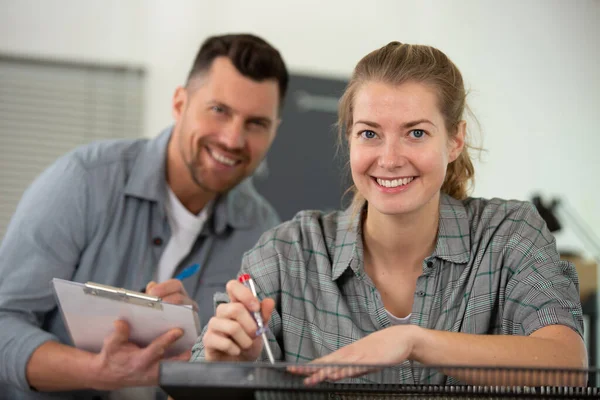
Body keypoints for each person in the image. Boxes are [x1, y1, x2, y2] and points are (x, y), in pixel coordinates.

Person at [191, 41, 588, 387]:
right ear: (349, 138)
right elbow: (190, 384)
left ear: (454, 141)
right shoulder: (287, 252)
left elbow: (567, 362)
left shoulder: (509, 235)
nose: (390, 158)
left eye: (416, 133)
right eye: (369, 133)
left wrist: (413, 342)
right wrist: (225, 368)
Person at [0, 33, 288, 399]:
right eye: (219, 110)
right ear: (180, 103)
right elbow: (4, 321)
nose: (233, 139)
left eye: (256, 124)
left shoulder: (262, 232)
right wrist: (100, 372)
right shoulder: (85, 180)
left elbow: (250, 375)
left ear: (274, 132)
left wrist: (214, 358)